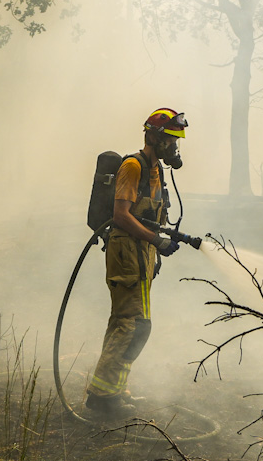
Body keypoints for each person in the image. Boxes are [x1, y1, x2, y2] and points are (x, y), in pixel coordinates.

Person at [85, 108, 200, 418]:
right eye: (170, 140)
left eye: (177, 141)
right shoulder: (133, 167)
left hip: (140, 252)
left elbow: (147, 214)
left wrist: (163, 237)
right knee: (134, 325)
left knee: (127, 322)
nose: (174, 147)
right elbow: (121, 215)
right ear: (153, 137)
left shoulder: (155, 170)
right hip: (127, 251)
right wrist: (155, 241)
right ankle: (102, 397)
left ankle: (110, 391)